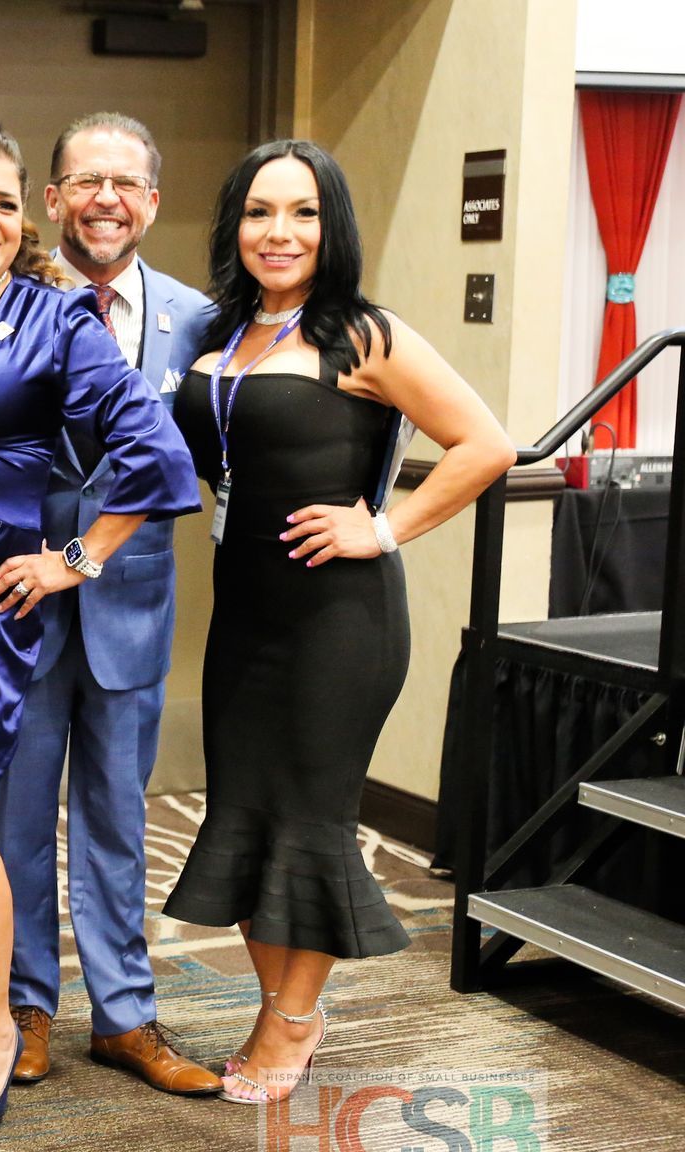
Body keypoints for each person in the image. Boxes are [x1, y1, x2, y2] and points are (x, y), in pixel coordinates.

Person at [162, 139, 513, 1103]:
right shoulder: (226, 332)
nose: (280, 233)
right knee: (244, 816)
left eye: (304, 213)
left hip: (338, 623)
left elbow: (485, 443)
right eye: (260, 212)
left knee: (309, 820)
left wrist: (386, 529)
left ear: (334, 228)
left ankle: (289, 1022)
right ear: (234, 224)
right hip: (245, 616)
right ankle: (287, 1008)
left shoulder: (364, 334)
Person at [0, 114, 198, 1135]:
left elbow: (156, 454)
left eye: (5, 203)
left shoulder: (55, 320)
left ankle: (2, 1029)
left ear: (31, 220)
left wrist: (75, 558)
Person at [0, 112, 222, 1096]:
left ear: (152, 203)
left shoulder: (197, 319)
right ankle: (23, 1009)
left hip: (132, 605)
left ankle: (126, 1015)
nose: (106, 200)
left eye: (126, 183)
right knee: (15, 824)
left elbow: (210, 459)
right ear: (53, 200)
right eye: (86, 181)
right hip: (17, 602)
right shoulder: (2, 304)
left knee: (119, 819)